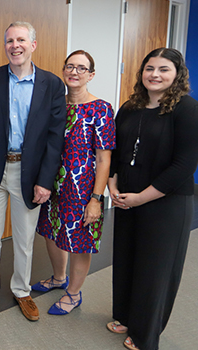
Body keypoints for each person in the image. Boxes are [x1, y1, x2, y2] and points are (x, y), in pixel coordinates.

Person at [0, 21, 66, 321]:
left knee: (24, 240)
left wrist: (45, 181)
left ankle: (22, 291)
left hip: (30, 173)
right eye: (10, 41)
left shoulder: (51, 84)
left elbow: (55, 138)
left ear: (33, 45)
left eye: (21, 40)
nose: (15, 46)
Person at [107, 48, 198, 350]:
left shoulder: (187, 109)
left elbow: (184, 166)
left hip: (165, 202)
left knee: (154, 269)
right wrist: (112, 185)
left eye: (163, 69)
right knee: (125, 259)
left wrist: (140, 198)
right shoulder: (130, 107)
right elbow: (116, 152)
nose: (154, 75)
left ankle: (146, 334)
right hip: (127, 199)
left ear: (177, 74)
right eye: (149, 68)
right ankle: (123, 314)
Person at [33, 50, 115, 315]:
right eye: (70, 66)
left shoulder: (100, 109)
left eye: (82, 68)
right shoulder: (56, 105)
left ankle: (74, 293)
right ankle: (59, 278)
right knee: (51, 233)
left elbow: (104, 159)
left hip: (83, 190)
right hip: (52, 184)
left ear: (91, 75)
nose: (74, 72)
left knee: (79, 241)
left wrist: (96, 199)